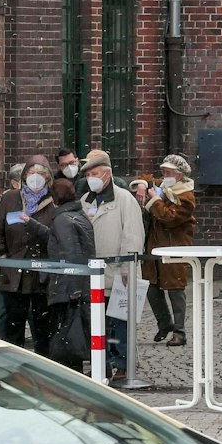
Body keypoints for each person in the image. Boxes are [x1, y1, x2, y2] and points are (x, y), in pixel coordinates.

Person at [79, 149, 146, 379]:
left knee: (120, 322)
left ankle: (123, 364)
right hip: (95, 273)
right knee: (98, 325)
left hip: (118, 273)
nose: (91, 179)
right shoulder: (85, 201)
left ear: (107, 174)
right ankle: (102, 363)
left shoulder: (124, 199)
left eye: (94, 173)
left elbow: (133, 234)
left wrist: (128, 266)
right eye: (88, 175)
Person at [0, 157, 58, 351]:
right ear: (24, 176)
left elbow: (56, 236)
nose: (36, 178)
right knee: (10, 327)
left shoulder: (54, 201)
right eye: (31, 173)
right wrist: (2, 253)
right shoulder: (10, 198)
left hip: (41, 277)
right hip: (13, 275)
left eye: (41, 174)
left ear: (48, 178)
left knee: (42, 329)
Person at [140, 154, 197, 347]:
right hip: (155, 246)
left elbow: (169, 218)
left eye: (168, 172)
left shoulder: (186, 196)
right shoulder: (165, 187)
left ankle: (179, 332)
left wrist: (155, 200)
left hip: (175, 247)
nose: (164, 175)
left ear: (179, 175)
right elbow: (147, 179)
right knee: (151, 287)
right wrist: (142, 184)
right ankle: (165, 324)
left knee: (175, 289)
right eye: (164, 172)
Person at [44, 178, 97, 368]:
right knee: (80, 332)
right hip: (80, 284)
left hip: (66, 288)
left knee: (66, 336)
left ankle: (71, 375)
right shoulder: (78, 215)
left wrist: (73, 290)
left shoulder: (61, 220)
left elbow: (69, 253)